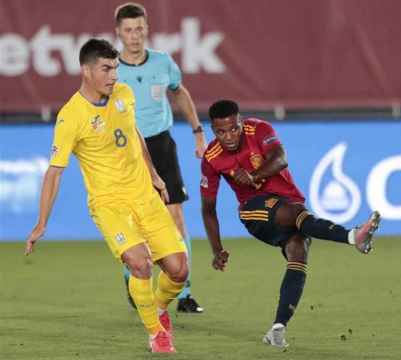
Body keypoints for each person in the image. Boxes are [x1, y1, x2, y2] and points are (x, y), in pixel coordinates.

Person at [25, 39, 187, 353]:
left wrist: (154, 174)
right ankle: (156, 333)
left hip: (144, 196)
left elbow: (133, 133)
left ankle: (158, 307)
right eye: (106, 68)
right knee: (140, 264)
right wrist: (41, 222)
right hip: (110, 205)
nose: (114, 75)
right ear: (86, 71)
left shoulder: (123, 94)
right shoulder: (71, 116)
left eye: (115, 68)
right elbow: (54, 172)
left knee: (179, 270)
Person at [200, 99, 382, 349]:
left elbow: (280, 159)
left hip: (289, 202)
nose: (229, 136)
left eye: (233, 128)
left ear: (240, 122)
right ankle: (353, 237)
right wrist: (216, 249)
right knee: (294, 214)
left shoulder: (259, 129)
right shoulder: (211, 157)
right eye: (221, 132)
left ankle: (278, 328)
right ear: (213, 130)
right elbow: (208, 209)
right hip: (254, 212)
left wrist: (253, 176)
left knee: (298, 250)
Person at [114, 2, 206, 313]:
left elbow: (180, 92)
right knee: (134, 222)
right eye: (128, 30)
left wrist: (197, 131)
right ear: (119, 33)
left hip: (161, 144)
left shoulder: (162, 63)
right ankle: (133, 278)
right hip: (127, 150)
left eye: (139, 28)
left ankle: (184, 291)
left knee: (175, 218)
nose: (135, 35)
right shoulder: (111, 69)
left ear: (147, 29)